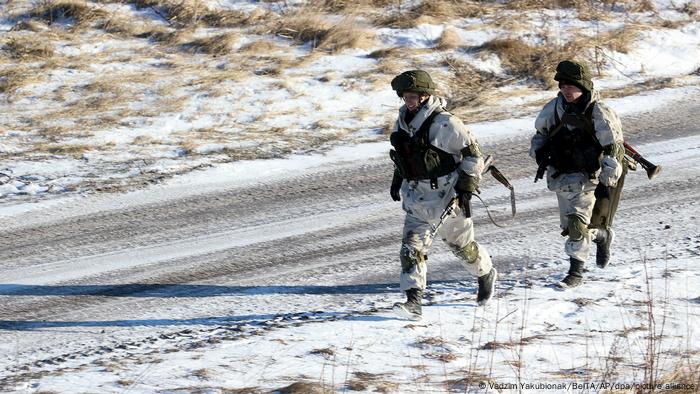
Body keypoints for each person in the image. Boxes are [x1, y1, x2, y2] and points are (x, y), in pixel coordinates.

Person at [388, 70, 497, 320]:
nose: (408, 101)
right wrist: (398, 179)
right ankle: (413, 301)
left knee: (463, 248)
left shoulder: (446, 123)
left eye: (413, 96)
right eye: (405, 96)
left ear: (426, 96)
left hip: (448, 197)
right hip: (417, 198)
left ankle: (485, 273)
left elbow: (473, 156)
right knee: (411, 249)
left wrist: (467, 186)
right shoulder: (403, 121)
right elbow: (404, 154)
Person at [530, 60, 626, 289]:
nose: (566, 90)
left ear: (582, 86)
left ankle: (575, 272)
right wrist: (540, 153)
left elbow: (614, 146)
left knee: (576, 224)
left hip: (591, 176)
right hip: (563, 176)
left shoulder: (599, 111)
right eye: (562, 86)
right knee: (571, 228)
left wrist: (608, 177)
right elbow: (540, 134)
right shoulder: (553, 108)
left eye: (570, 86)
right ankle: (601, 236)